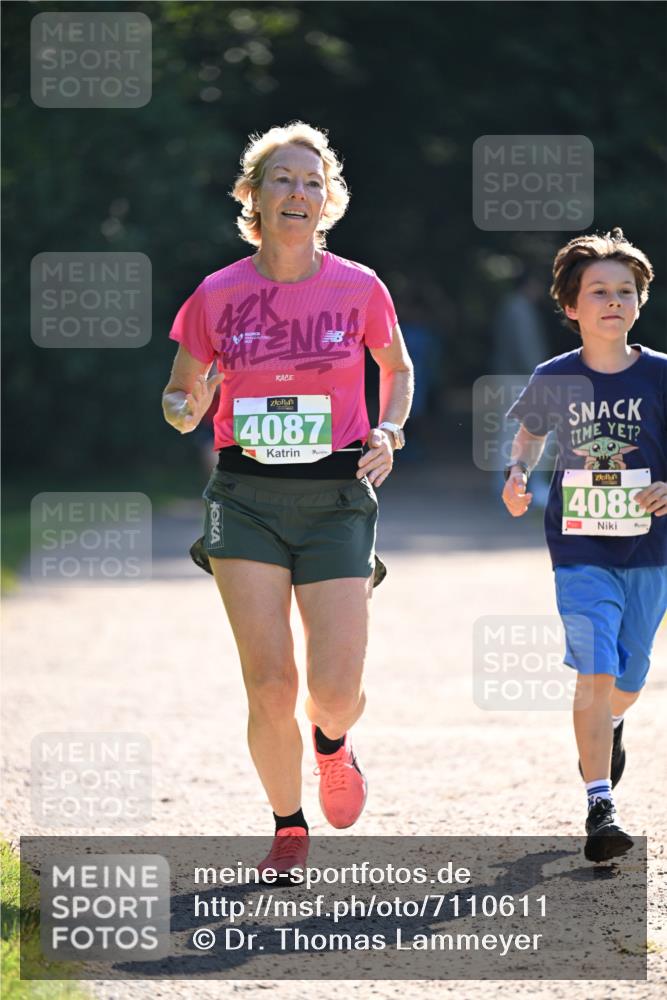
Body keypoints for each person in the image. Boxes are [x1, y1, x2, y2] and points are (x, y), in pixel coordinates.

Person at [162, 122, 413, 877]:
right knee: (269, 681)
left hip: (338, 495)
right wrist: (187, 403)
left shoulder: (360, 286)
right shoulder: (216, 294)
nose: (297, 192)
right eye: (282, 179)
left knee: (331, 694)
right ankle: (286, 824)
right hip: (244, 498)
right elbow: (178, 398)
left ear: (327, 200)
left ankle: (331, 744)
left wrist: (391, 431)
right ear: (253, 196)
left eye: (311, 182)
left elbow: (394, 370)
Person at [501, 228, 667, 863]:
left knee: (629, 677)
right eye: (598, 291)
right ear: (571, 307)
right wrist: (517, 476)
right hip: (579, 551)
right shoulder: (554, 376)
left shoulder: (658, 375)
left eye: (625, 291)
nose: (613, 301)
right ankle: (601, 803)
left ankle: (616, 722)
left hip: (649, 553)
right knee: (594, 669)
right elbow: (528, 437)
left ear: (639, 302)